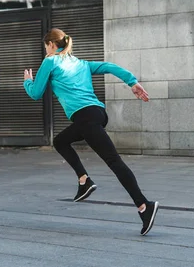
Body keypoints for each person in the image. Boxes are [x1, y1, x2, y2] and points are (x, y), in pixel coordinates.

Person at [23, 28, 159, 236]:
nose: (46, 51)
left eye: (45, 47)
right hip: (97, 115)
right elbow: (109, 66)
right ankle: (84, 181)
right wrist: (132, 82)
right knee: (61, 141)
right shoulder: (81, 63)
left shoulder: (50, 62)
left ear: (51, 45)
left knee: (114, 161)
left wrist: (27, 80)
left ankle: (143, 205)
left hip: (86, 119)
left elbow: (35, 93)